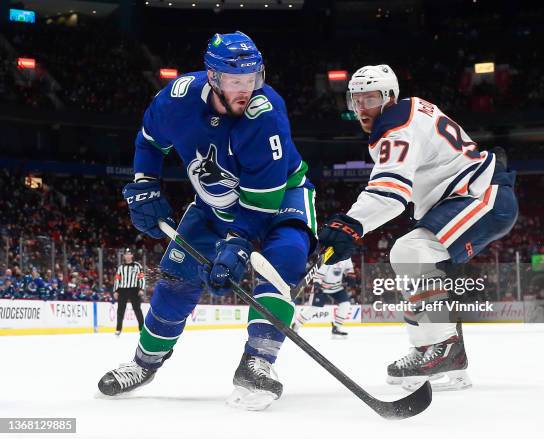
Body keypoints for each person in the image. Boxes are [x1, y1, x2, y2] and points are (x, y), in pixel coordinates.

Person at [98, 31, 316, 411]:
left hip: (280, 200)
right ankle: (144, 363)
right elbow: (150, 142)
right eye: (235, 81)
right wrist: (146, 184)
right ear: (213, 77)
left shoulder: (266, 115)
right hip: (213, 204)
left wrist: (237, 244)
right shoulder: (178, 99)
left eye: (252, 79)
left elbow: (260, 204)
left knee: (285, 262)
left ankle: (258, 363)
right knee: (175, 278)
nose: (246, 90)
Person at [318, 65, 518, 391]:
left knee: (411, 250)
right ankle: (449, 356)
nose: (361, 108)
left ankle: (440, 348)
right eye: (356, 100)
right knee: (419, 257)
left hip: (482, 195)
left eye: (370, 98)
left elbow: (391, 193)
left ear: (389, 98)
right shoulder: (413, 108)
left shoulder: (395, 127)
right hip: (469, 195)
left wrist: (350, 225)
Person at [291, 258, 355, 338]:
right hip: (322, 287)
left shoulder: (346, 256)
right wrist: (317, 285)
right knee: (314, 308)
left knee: (345, 304)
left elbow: (349, 269)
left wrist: (350, 276)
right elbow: (318, 275)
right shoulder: (329, 256)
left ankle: (336, 327)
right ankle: (296, 325)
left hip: (337, 287)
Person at [112, 248, 145, 335]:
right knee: (120, 310)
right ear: (124, 256)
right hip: (122, 290)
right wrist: (116, 290)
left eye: (129, 254)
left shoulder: (137, 266)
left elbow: (141, 278)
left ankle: (142, 329)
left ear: (132, 255)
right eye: (126, 254)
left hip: (134, 289)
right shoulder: (120, 267)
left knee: (137, 309)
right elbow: (117, 279)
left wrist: (141, 289)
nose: (127, 255)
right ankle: (118, 329)